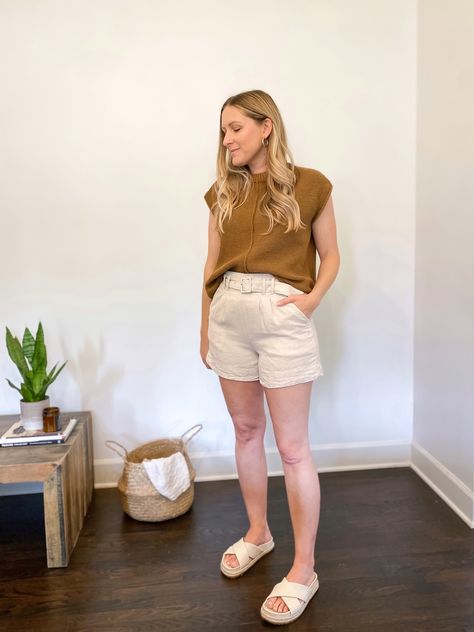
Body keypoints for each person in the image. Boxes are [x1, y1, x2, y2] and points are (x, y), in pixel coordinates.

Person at [200, 89, 340, 625]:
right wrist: (205, 327)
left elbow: (331, 256)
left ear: (266, 126)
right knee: (244, 431)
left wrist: (309, 301)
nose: (227, 138)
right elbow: (210, 265)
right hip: (228, 311)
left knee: (295, 448)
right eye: (222, 130)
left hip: (282, 315)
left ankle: (304, 568)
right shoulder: (222, 193)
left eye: (235, 126)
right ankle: (259, 532)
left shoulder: (312, 185)